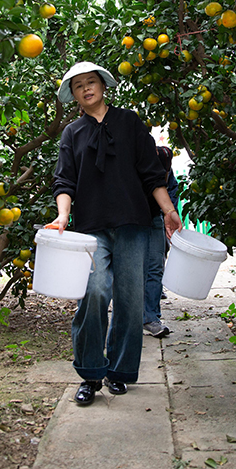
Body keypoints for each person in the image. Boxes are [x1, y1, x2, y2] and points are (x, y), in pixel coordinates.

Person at [48, 61, 182, 406]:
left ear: (103, 86)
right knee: (92, 292)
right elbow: (64, 181)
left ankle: (119, 372)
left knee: (129, 300)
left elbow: (153, 173)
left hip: (133, 224)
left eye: (91, 82)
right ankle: (91, 373)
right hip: (91, 228)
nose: (86, 89)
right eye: (79, 86)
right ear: (73, 95)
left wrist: (168, 211)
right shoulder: (72, 133)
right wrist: (63, 217)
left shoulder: (129, 123)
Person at [143, 146, 178, 337]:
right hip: (132, 220)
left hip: (155, 218)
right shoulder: (134, 161)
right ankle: (132, 316)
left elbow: (171, 187)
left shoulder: (164, 160)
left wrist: (169, 211)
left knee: (156, 267)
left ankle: (151, 318)